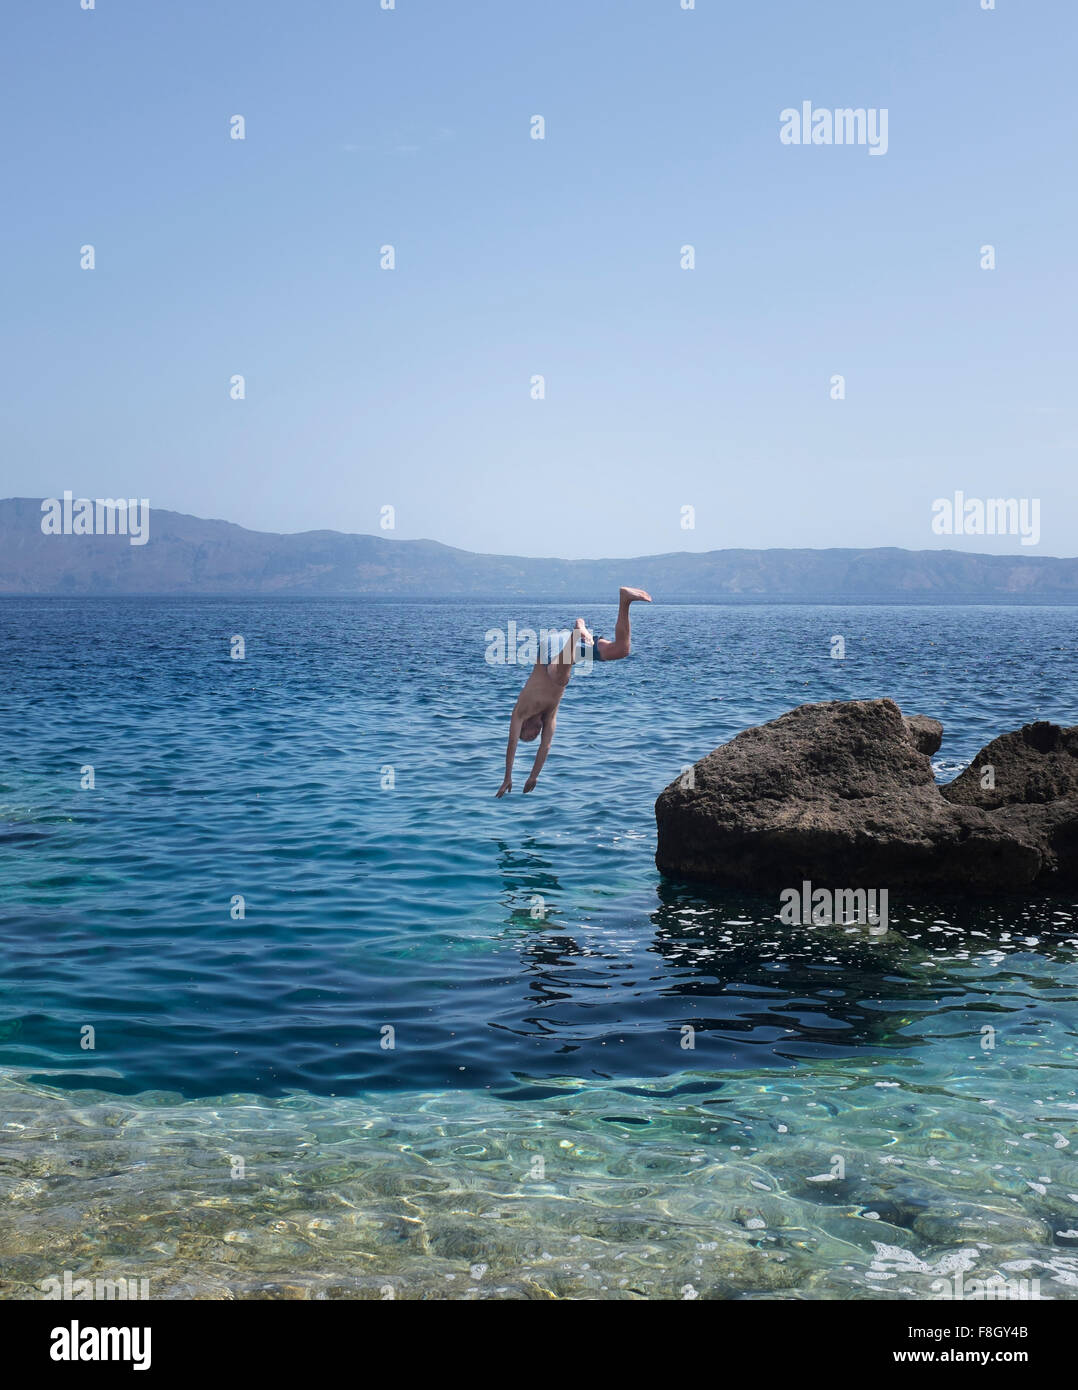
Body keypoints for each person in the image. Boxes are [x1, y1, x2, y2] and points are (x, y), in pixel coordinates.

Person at [495, 586, 652, 796]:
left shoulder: (520, 713)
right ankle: (625, 600)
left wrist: (507, 777)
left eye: (529, 736)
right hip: (569, 650)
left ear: (524, 728)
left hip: (551, 650)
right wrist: (533, 776)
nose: (535, 736)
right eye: (535, 737)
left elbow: (511, 743)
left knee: (558, 677)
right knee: (621, 650)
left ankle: (578, 629)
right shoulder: (550, 716)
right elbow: (546, 747)